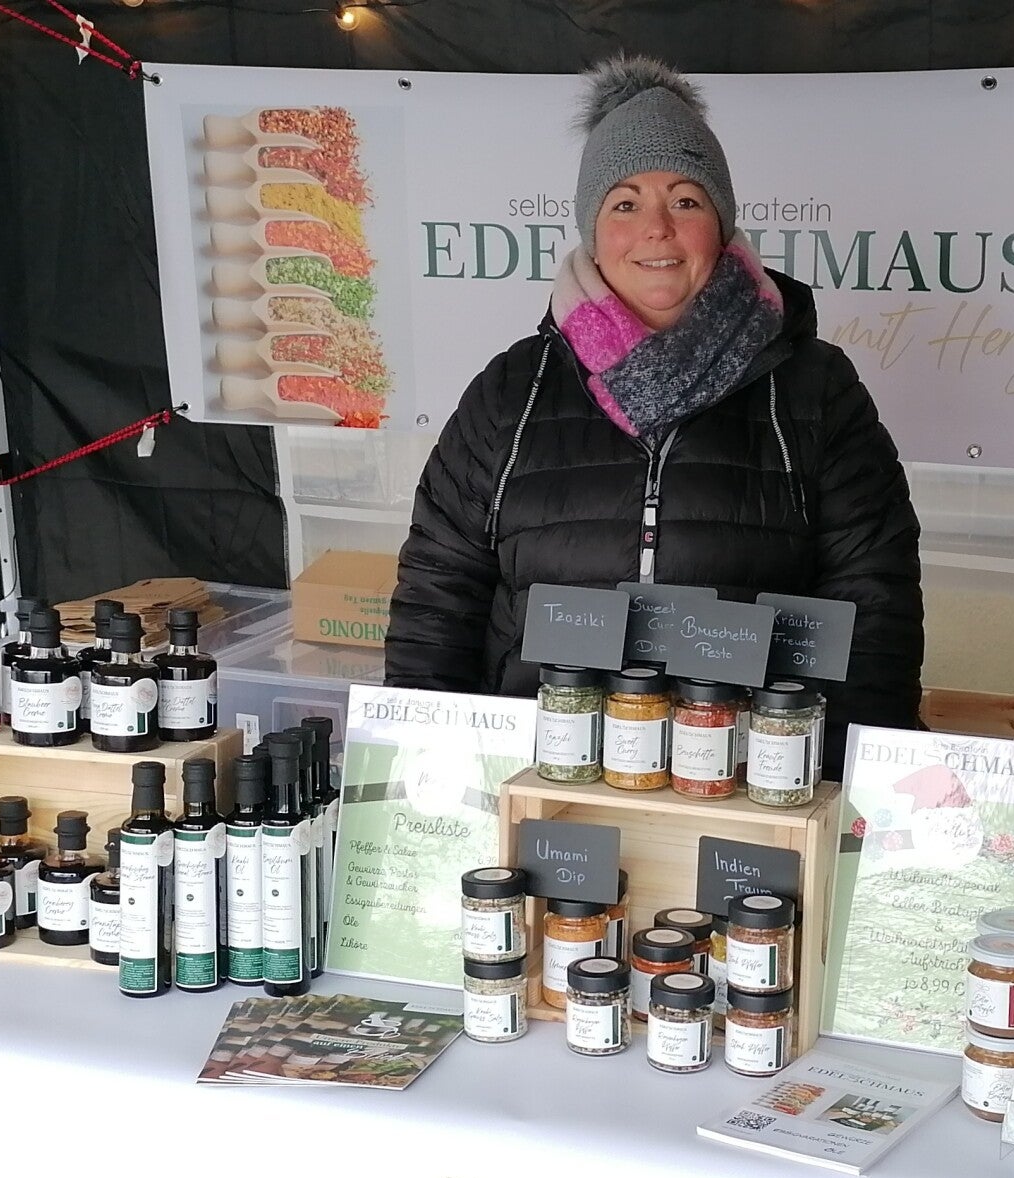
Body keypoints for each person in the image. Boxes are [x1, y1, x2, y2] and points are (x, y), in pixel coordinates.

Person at [386, 54, 924, 765]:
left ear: (720, 223)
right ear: (592, 227)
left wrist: (840, 781)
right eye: (625, 203)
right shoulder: (510, 391)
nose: (657, 229)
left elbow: (873, 603)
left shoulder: (816, 389)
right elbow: (438, 593)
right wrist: (424, 764)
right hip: (538, 778)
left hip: (749, 783)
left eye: (686, 201)